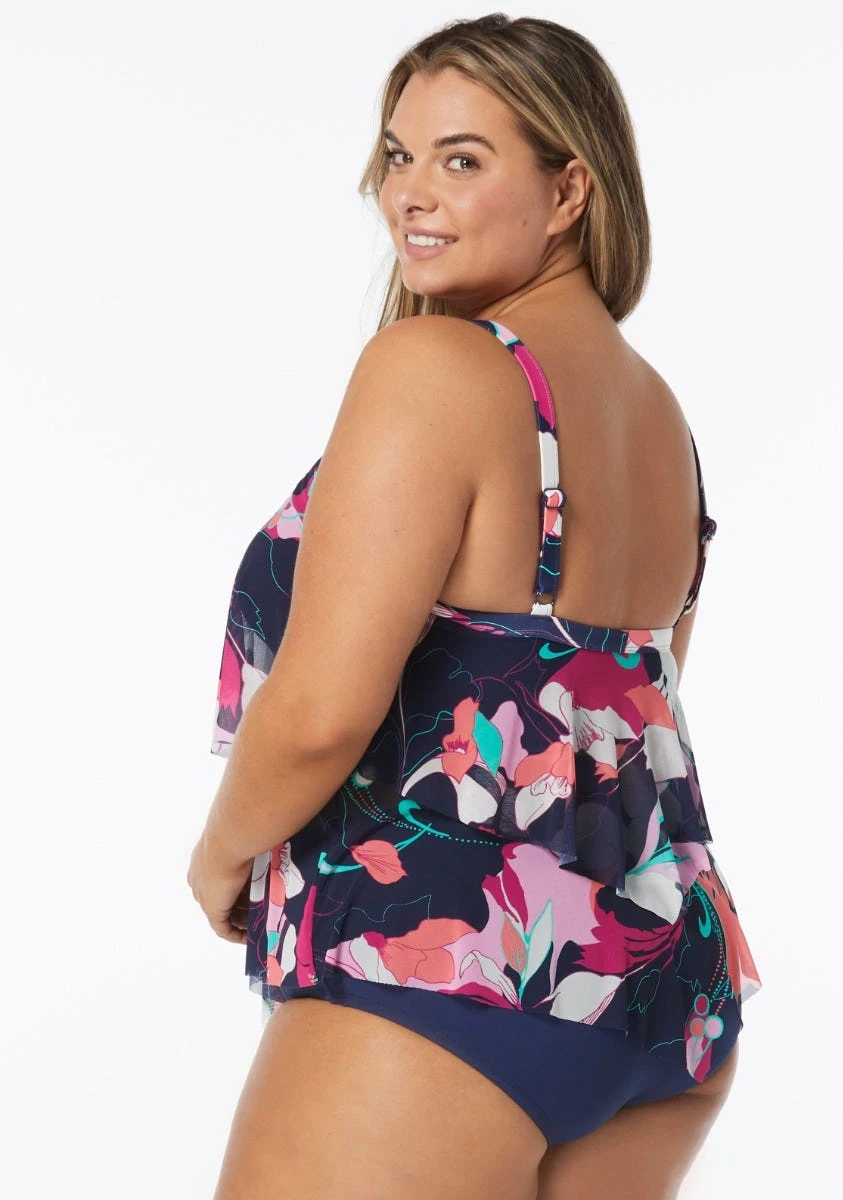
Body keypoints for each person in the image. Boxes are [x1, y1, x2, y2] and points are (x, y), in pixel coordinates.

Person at [188, 13, 762, 1199]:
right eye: (399, 156)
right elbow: (622, 710)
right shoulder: (660, 420)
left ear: (568, 191)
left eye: (462, 159)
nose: (412, 193)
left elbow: (319, 713)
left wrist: (219, 855)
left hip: (447, 984)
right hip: (661, 997)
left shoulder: (435, 369)